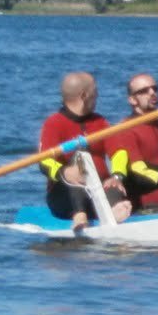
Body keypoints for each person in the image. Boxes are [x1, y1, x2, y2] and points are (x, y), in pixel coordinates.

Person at [38, 71, 133, 228]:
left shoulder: (100, 121)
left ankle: (114, 211)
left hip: (98, 189)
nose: (98, 95)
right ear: (84, 95)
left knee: (113, 187)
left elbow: (119, 152)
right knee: (75, 183)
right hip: (66, 193)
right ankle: (80, 216)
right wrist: (64, 172)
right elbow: (44, 161)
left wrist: (117, 176)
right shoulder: (54, 123)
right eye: (95, 91)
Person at [105, 72, 158, 211]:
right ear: (132, 100)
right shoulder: (125, 129)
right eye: (144, 91)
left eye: (155, 88)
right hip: (142, 197)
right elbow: (139, 172)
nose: (152, 93)